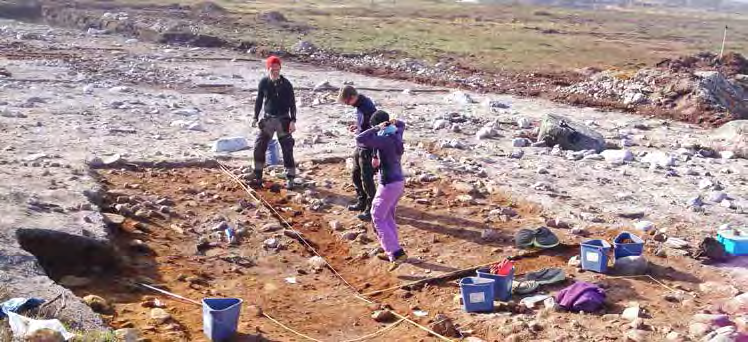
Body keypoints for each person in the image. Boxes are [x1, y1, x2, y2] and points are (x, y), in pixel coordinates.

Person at [356, 110, 407, 271]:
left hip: (388, 184)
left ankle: (396, 253)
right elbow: (402, 124)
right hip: (399, 182)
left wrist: (375, 128)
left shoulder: (384, 139)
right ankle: (391, 251)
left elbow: (360, 139)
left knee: (377, 216)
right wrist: (392, 122)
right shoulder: (396, 134)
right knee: (387, 216)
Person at [251, 56, 297, 189]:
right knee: (259, 146)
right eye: (272, 69)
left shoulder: (287, 84)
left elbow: (292, 104)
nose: (275, 71)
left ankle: (290, 178)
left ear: (280, 68)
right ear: (268, 68)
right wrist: (255, 117)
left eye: (277, 69)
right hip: (268, 120)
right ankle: (257, 175)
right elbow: (259, 100)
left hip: (283, 120)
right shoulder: (264, 82)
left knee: (287, 149)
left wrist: (293, 120)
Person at [338, 85, 378, 221]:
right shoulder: (360, 106)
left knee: (367, 179)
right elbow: (365, 124)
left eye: (347, 102)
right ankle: (361, 201)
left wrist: (375, 154)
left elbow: (375, 128)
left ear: (353, 97)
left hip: (368, 148)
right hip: (360, 146)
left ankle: (371, 209)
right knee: (355, 174)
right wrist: (358, 126)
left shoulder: (367, 107)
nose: (347, 105)